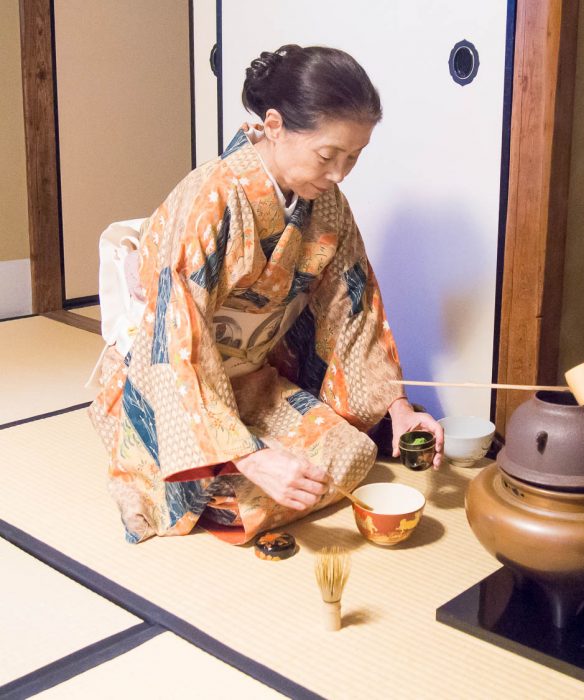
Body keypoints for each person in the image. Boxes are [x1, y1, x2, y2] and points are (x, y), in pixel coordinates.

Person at [89, 45, 443, 544]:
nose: (340, 173)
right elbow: (174, 338)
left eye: (354, 157)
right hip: (171, 385)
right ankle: (173, 471)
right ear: (274, 125)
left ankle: (245, 470)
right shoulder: (214, 195)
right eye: (328, 155)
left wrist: (398, 407)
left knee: (354, 455)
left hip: (251, 379)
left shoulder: (329, 207)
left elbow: (354, 310)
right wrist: (251, 456)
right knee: (219, 491)